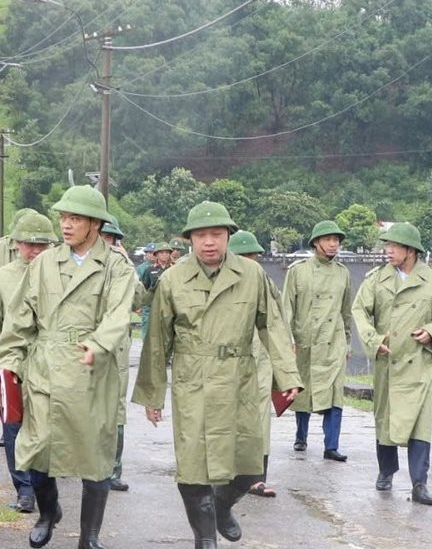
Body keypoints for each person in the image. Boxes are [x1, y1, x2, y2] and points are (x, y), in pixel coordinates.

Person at [134, 202, 301, 549]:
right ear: (190, 239)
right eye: (201, 235)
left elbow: (272, 325)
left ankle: (222, 505)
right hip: (192, 379)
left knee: (249, 465)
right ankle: (205, 539)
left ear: (228, 237)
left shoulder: (251, 275)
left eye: (216, 235)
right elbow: (157, 342)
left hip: (239, 377)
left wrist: (288, 376)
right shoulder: (173, 279)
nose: (209, 242)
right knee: (194, 466)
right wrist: (152, 395)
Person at [0, 185, 137, 549]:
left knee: (95, 459)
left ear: (94, 223)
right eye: (63, 217)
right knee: (37, 451)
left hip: (93, 373)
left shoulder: (116, 266)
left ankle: (89, 537)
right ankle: (48, 513)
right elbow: (19, 318)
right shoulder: (45, 262)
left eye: (74, 218)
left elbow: (119, 314)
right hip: (45, 369)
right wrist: (9, 363)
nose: (66, 225)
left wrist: (98, 343)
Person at [350, 222, 432, 506]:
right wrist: (373, 340)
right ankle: (386, 471)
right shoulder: (377, 279)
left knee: (420, 423)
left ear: (410, 250)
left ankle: (419, 483)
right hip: (388, 360)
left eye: (394, 246)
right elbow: (359, 311)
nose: (388, 251)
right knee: (385, 417)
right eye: (387, 245)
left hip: (418, 362)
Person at [0, 212, 58, 514]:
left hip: (50, 364)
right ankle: (23, 488)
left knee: (46, 428)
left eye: (42, 245)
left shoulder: (62, 276)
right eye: (28, 244)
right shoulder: (2, 277)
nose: (35, 251)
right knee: (13, 426)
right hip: (12, 363)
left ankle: (42, 485)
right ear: (16, 245)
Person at [283, 220, 354, 461]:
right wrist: (289, 339)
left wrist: (347, 342)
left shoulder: (343, 273)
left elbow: (346, 312)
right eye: (328, 240)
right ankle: (301, 436)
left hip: (333, 343)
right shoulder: (298, 270)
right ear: (316, 243)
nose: (333, 244)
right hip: (304, 341)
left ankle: (331, 446)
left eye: (336, 240)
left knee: (334, 394)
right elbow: (287, 308)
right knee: (303, 390)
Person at [230, 230, 279, 499]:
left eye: (254, 256)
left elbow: (277, 320)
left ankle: (257, 478)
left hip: (260, 359)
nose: (251, 261)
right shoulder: (222, 284)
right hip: (228, 360)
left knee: (260, 419)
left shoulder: (266, 283)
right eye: (245, 257)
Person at [99, 218, 139, 493]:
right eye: (101, 237)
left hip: (116, 347)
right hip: (82, 345)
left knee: (116, 410)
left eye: (110, 239)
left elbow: (138, 299)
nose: (106, 243)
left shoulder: (123, 267)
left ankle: (113, 470)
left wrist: (129, 266)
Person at [135, 242, 175, 339]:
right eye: (162, 252)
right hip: (151, 304)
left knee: (166, 332)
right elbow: (144, 287)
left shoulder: (174, 269)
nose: (164, 255)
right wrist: (140, 305)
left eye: (167, 252)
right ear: (156, 254)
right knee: (147, 329)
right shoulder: (149, 269)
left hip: (168, 304)